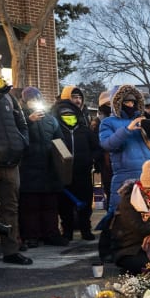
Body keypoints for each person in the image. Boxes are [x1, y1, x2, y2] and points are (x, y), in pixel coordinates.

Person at [100, 84, 150, 262]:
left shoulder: (143, 118)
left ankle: (146, 250)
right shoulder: (108, 122)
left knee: (148, 213)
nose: (130, 105)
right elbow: (107, 144)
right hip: (125, 173)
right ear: (118, 103)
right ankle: (110, 250)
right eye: (126, 101)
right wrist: (127, 130)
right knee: (118, 212)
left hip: (148, 173)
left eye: (133, 101)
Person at [0, 53, 30, 267]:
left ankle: (11, 250)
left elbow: (22, 124)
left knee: (10, 209)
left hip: (11, 163)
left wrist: (22, 143)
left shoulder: (8, 96)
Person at [18, 87, 67, 247]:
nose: (34, 103)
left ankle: (51, 234)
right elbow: (18, 138)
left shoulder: (51, 120)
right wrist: (29, 122)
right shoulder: (19, 117)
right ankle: (31, 236)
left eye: (36, 99)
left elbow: (60, 141)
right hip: (28, 169)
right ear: (25, 102)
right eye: (31, 100)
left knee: (50, 205)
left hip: (49, 169)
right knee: (30, 206)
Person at [55, 86, 101, 241]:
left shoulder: (84, 129)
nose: (78, 100)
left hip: (83, 171)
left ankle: (85, 230)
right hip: (64, 173)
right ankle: (66, 230)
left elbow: (97, 147)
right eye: (74, 96)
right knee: (65, 203)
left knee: (86, 201)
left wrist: (91, 159)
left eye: (80, 97)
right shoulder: (57, 127)